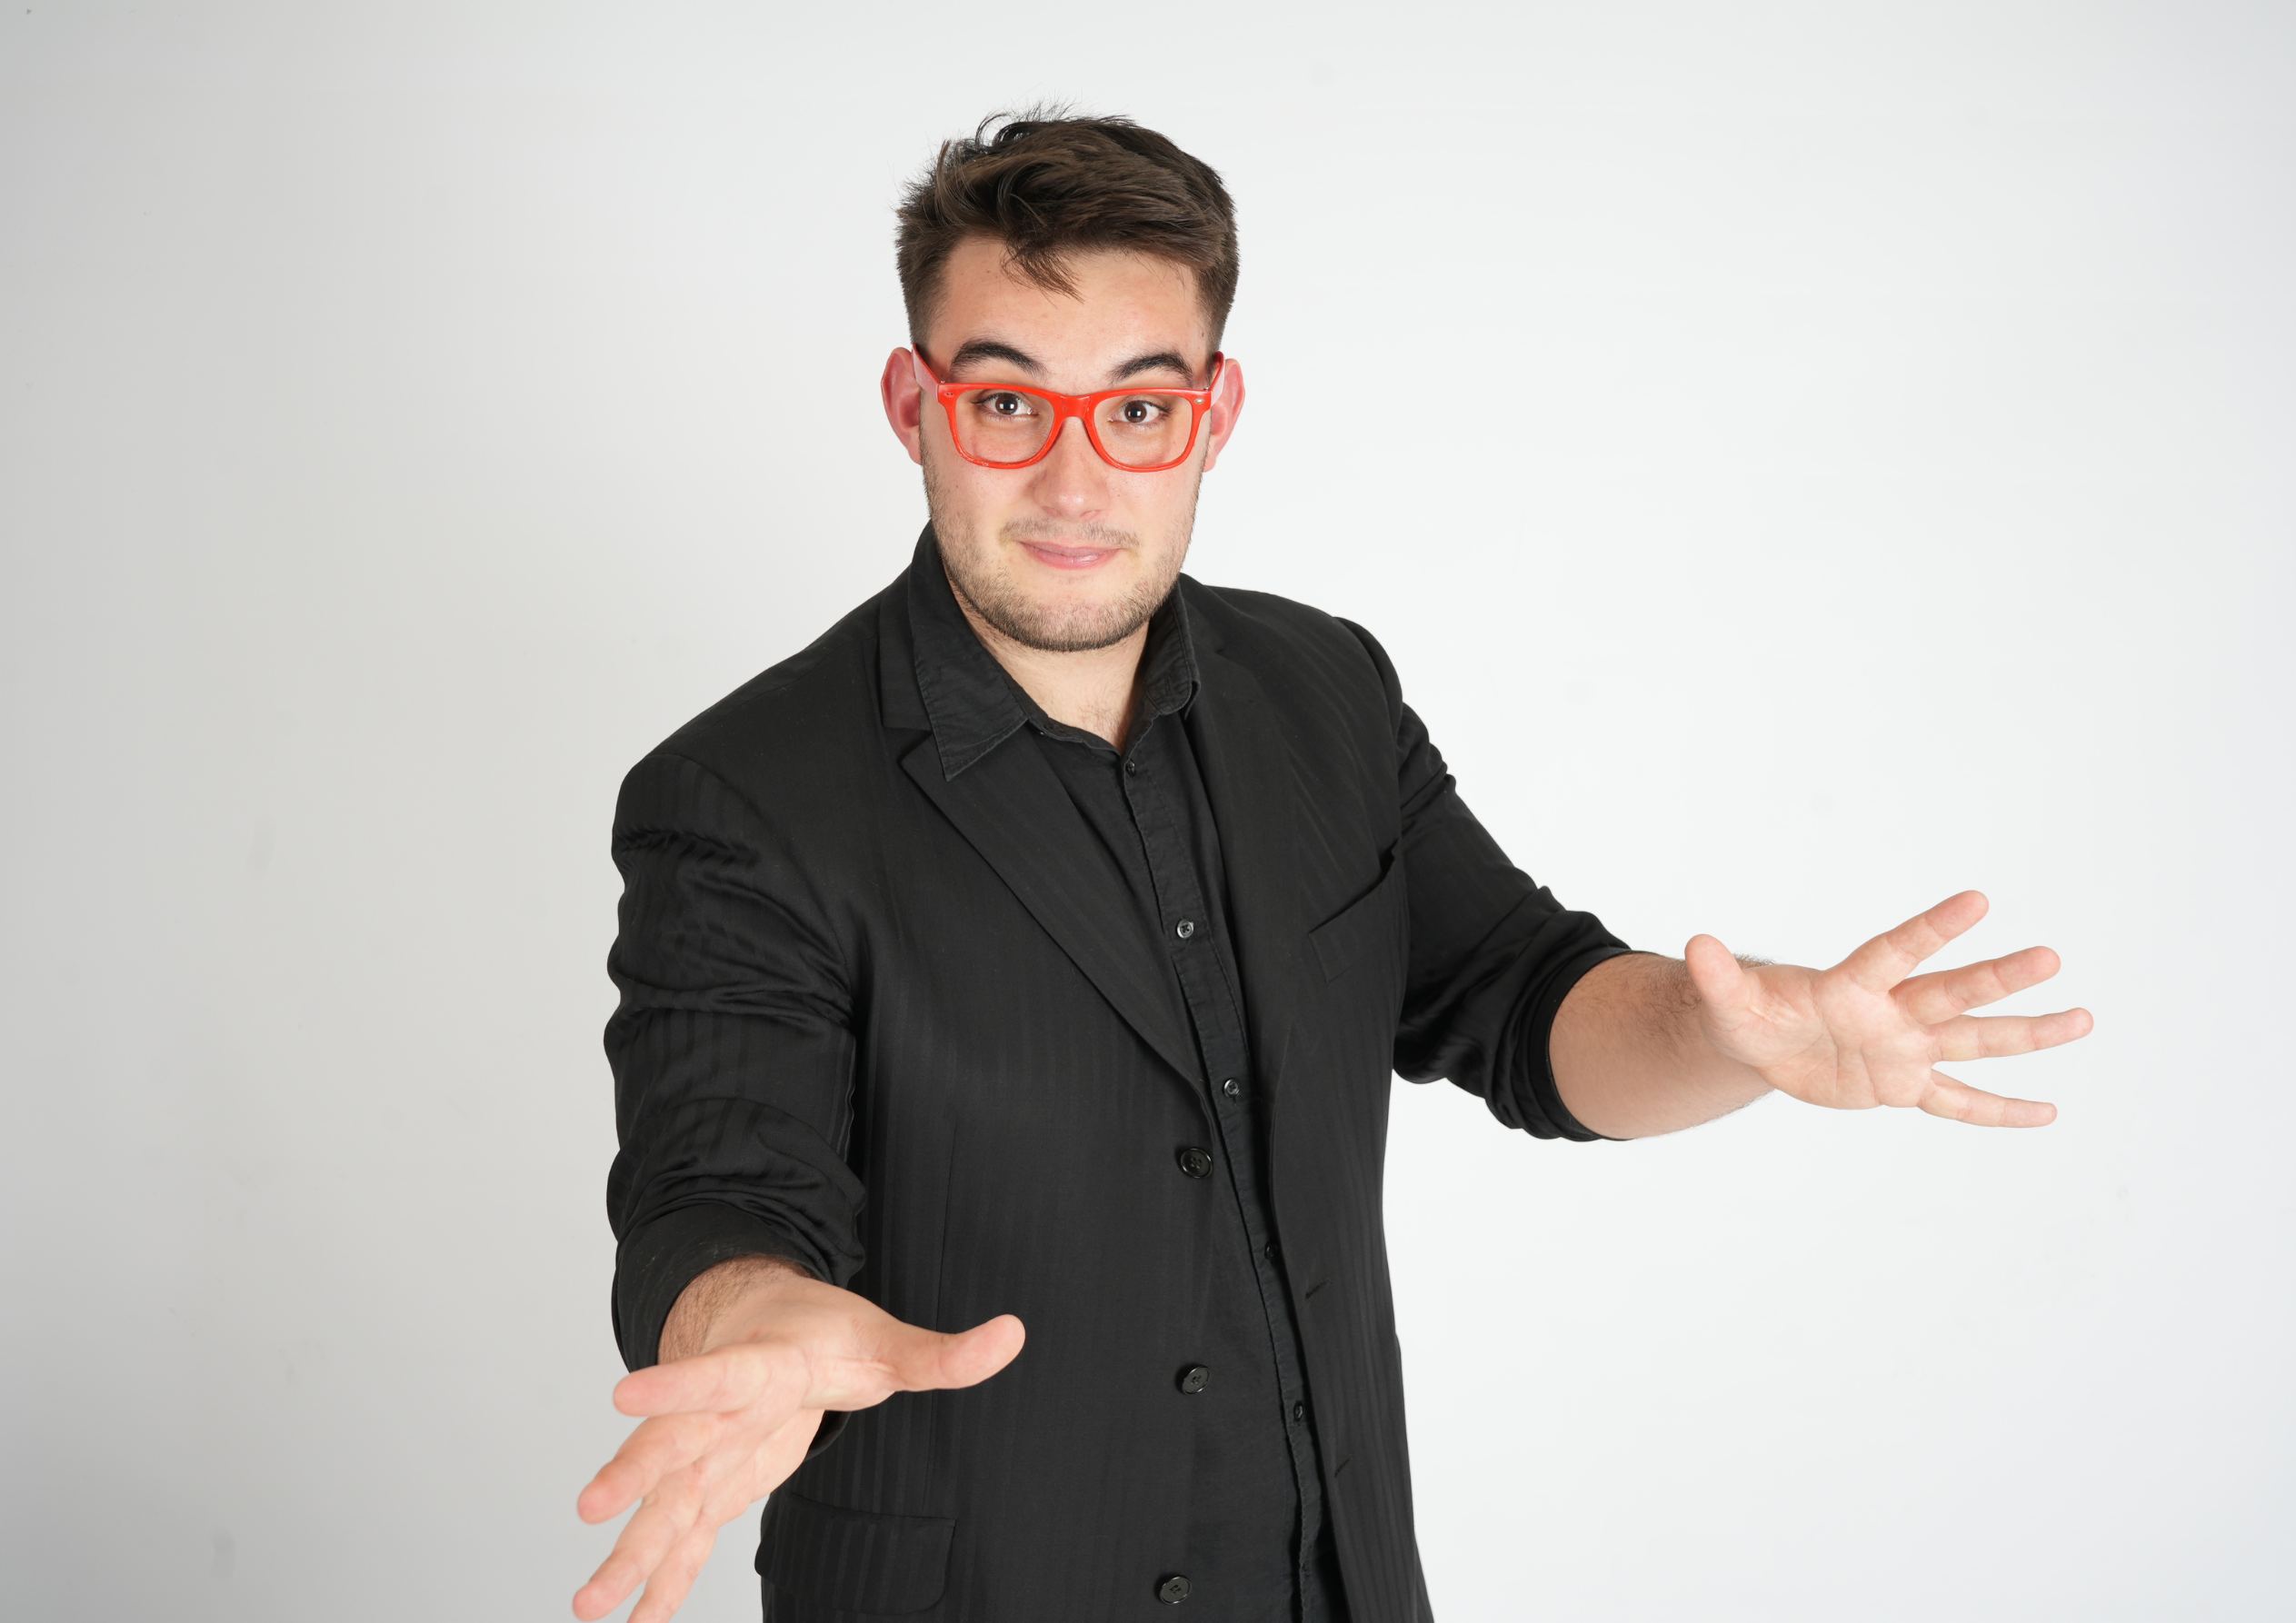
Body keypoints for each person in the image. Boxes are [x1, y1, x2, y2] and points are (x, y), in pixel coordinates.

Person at [573, 105, 2091, 1623]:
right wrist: (746, 1318)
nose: (1075, 481)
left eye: (1138, 408)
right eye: (1006, 403)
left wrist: (1731, 1035)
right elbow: (713, 1189)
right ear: (913, 405)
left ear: (1213, 413)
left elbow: (1524, 1003)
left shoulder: (1325, 692)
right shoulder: (742, 796)